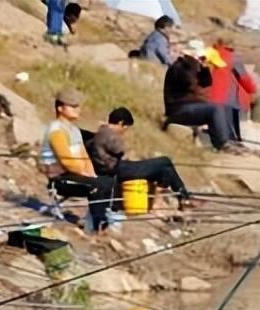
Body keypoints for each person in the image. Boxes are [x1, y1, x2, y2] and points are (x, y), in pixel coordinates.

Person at [89, 107, 196, 210]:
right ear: (121, 123)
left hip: (117, 167)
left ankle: (181, 198)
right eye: (125, 128)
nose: (124, 131)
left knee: (166, 169)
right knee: (165, 161)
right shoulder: (108, 133)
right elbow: (120, 150)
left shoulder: (102, 131)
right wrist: (118, 136)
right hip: (117, 169)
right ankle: (183, 196)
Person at [40, 88, 115, 231]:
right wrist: (88, 176)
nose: (77, 109)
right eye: (73, 106)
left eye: (78, 106)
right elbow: (66, 161)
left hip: (75, 175)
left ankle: (99, 222)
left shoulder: (73, 130)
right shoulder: (56, 130)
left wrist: (92, 174)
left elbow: (84, 157)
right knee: (97, 186)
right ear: (60, 108)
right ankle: (95, 226)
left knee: (108, 182)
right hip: (60, 179)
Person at [162, 47, 243, 152]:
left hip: (190, 107)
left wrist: (204, 68)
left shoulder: (193, 67)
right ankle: (222, 144)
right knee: (214, 109)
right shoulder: (179, 66)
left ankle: (229, 140)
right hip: (177, 109)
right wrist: (194, 63)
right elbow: (188, 82)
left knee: (223, 107)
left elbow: (206, 83)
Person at [209, 40, 260, 142]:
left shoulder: (210, 54)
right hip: (226, 99)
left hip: (209, 98)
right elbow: (244, 79)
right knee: (230, 134)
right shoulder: (232, 57)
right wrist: (253, 89)